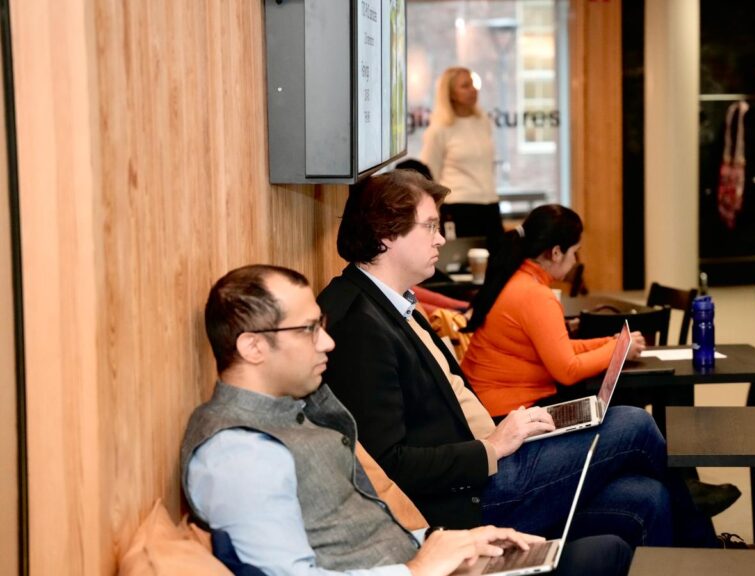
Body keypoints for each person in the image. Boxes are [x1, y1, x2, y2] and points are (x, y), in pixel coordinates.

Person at [317, 169, 719, 549]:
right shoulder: (359, 326)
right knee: (635, 423)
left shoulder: (391, 303)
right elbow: (390, 465)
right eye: (431, 226)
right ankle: (708, 549)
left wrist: (504, 435)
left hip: (488, 456)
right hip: (469, 494)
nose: (440, 239)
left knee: (646, 498)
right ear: (386, 234)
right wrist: (493, 446)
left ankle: (697, 551)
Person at [181, 264, 633, 576]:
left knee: (621, 528)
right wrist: (419, 568)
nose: (328, 344)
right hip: (417, 569)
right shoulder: (236, 454)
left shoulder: (293, 411)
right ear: (252, 348)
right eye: (308, 330)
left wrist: (453, 543)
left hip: (423, 556)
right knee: (608, 545)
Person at [460, 204, 646, 417]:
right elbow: (568, 370)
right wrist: (618, 350)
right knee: (628, 408)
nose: (575, 261)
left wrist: (608, 343)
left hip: (492, 405)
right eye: (575, 252)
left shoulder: (513, 278)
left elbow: (557, 350)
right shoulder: (535, 295)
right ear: (556, 252)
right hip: (508, 413)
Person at [420, 67, 504, 249]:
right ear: (450, 93)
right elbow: (429, 176)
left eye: (473, 84)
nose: (473, 89)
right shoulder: (439, 129)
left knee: (497, 264)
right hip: (459, 207)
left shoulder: (482, 121)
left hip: (490, 204)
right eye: (465, 86)